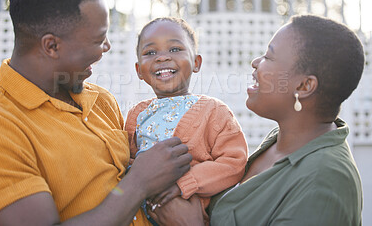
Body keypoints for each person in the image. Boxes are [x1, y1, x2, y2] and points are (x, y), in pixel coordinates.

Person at [0, 0, 193, 226]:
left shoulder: (100, 100)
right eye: (98, 39)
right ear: (51, 45)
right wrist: (138, 183)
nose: (107, 47)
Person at [147, 14, 365, 226]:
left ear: (304, 86)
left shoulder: (325, 179)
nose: (255, 62)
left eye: (269, 57)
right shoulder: (279, 144)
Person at [124, 17, 248, 225]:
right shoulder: (137, 114)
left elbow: (234, 163)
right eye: (150, 52)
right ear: (139, 70)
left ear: (196, 63)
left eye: (174, 49)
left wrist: (186, 182)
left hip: (184, 214)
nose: (162, 58)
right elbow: (126, 159)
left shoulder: (213, 111)